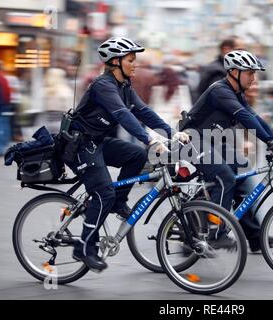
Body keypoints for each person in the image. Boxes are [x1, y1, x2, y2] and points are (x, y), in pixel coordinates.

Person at [63, 37, 189, 271]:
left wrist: (172, 133)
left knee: (137, 156)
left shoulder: (124, 87)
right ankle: (83, 247)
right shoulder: (103, 85)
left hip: (98, 141)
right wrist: (151, 140)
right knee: (103, 193)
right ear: (115, 62)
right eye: (131, 60)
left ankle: (118, 201)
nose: (135, 64)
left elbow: (143, 112)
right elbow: (123, 115)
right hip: (79, 146)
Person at [182, 50, 273, 252]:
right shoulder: (220, 91)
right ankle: (216, 233)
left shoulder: (236, 93)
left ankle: (255, 237)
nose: (253, 78)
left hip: (213, 142)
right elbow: (244, 116)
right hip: (192, 141)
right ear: (233, 72)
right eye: (250, 73)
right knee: (226, 178)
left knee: (242, 172)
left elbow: (254, 117)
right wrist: (269, 142)